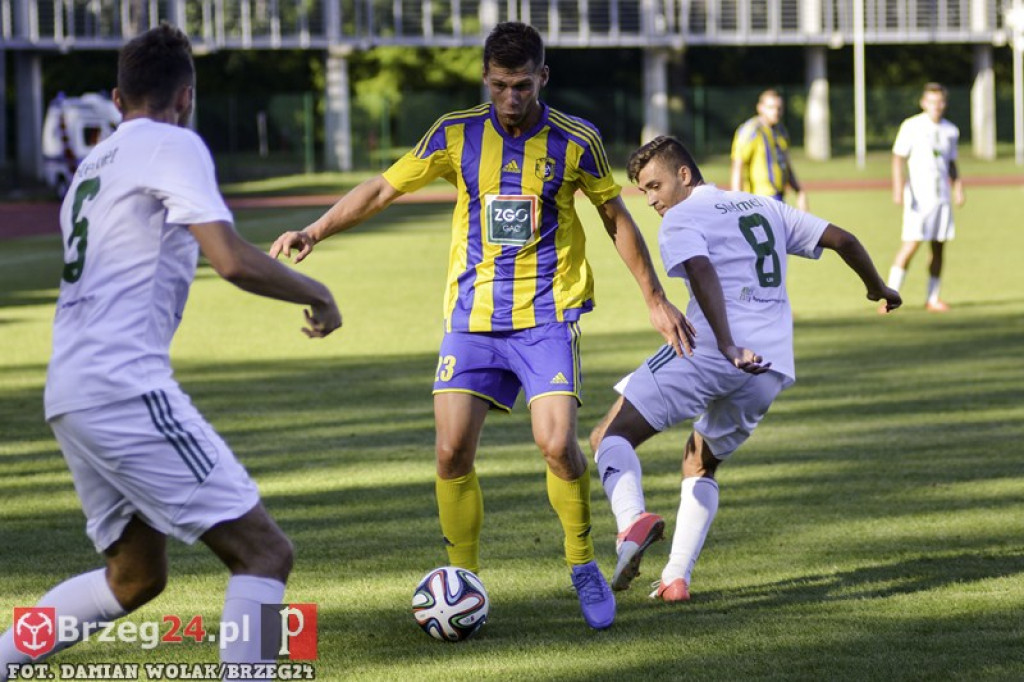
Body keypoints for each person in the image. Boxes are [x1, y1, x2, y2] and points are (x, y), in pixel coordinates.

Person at [269, 21, 694, 630]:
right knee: (450, 453)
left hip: (547, 318)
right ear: (485, 80)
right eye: (499, 86)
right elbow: (382, 189)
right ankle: (461, 581)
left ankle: (582, 563)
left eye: (522, 85)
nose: (511, 99)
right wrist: (314, 230)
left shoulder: (577, 140)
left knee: (555, 445)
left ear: (543, 77)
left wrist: (653, 299)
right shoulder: (454, 132)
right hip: (472, 320)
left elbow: (615, 217)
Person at [0, 23, 340, 680]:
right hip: (123, 386)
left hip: (70, 389)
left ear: (116, 97)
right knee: (265, 555)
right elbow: (231, 258)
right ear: (186, 97)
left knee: (133, 579)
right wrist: (318, 291)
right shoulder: (173, 144)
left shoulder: (91, 166)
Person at [589, 136, 901, 603]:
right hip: (771, 367)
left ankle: (631, 520)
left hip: (711, 350)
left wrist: (729, 343)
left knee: (607, 437)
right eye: (643, 192)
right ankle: (676, 578)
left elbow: (701, 271)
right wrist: (878, 287)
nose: (652, 199)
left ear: (685, 175)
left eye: (655, 185)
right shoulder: (763, 205)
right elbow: (845, 240)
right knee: (700, 462)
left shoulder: (681, 218)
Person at [883, 82, 965, 313]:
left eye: (940, 101)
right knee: (910, 244)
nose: (936, 106)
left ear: (945, 103)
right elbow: (898, 157)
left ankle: (933, 297)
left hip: (942, 198)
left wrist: (958, 187)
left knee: (938, 247)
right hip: (919, 197)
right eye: (932, 101)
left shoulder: (951, 130)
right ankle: (889, 297)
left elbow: (951, 162)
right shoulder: (912, 126)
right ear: (923, 103)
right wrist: (898, 188)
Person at [730, 89, 808, 212]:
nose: (776, 112)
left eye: (779, 108)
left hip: (778, 196)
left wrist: (799, 191)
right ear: (760, 108)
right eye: (771, 107)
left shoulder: (781, 131)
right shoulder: (751, 131)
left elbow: (785, 164)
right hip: (758, 199)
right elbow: (738, 165)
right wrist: (736, 201)